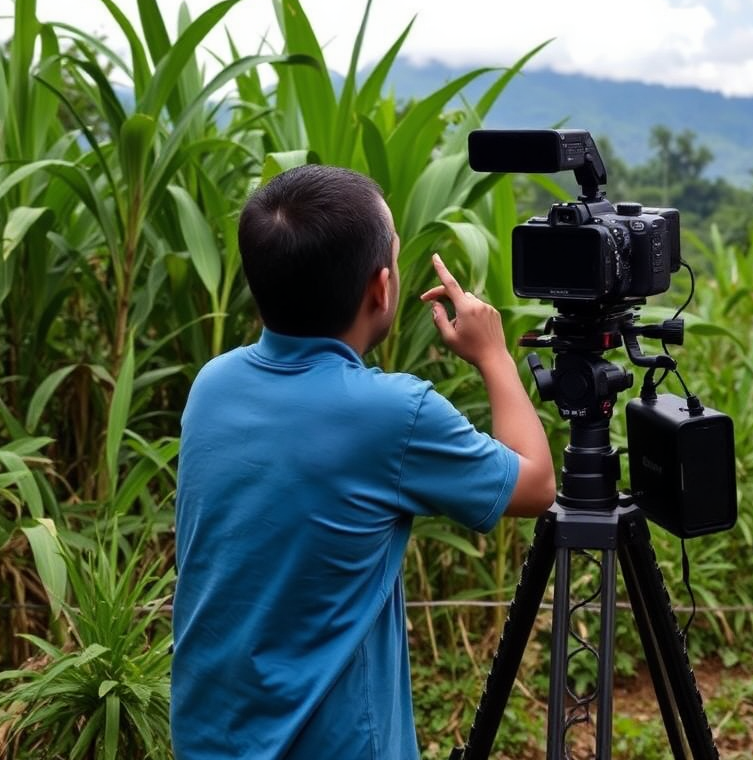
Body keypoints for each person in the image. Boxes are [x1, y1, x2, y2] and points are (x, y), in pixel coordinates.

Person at [171, 164, 556, 760]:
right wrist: (495, 357)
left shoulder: (212, 385)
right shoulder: (394, 414)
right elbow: (535, 485)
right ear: (381, 290)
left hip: (209, 740)